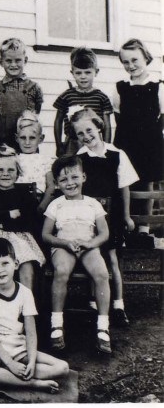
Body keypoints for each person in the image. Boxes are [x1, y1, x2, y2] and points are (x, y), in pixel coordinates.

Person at [0, 238, 69, 392]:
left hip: (17, 346)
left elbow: (30, 332)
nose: (0, 270)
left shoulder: (24, 292)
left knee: (62, 367)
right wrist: (10, 363)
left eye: (5, 263)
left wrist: (30, 361)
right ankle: (33, 384)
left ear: (16, 264)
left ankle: (12, 375)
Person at [73, 108, 138, 327]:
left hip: (113, 216)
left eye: (89, 130)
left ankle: (118, 305)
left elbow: (124, 188)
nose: (86, 136)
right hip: (90, 219)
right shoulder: (79, 158)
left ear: (99, 127)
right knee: (94, 258)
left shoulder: (117, 154)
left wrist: (127, 216)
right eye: (80, 134)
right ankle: (94, 303)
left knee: (112, 259)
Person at [42, 156, 112, 353]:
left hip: (88, 245)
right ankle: (56, 324)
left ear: (83, 177)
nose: (70, 183)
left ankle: (103, 326)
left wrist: (90, 244)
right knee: (62, 272)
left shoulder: (92, 204)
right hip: (64, 245)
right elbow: (46, 234)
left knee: (101, 274)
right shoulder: (56, 204)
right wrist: (64, 243)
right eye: (63, 180)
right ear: (56, 183)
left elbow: (104, 233)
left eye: (74, 177)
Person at [0, 147, 45, 292]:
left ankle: (26, 308)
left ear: (18, 172)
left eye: (11, 170)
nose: (5, 174)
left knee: (26, 265)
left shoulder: (25, 195)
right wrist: (8, 214)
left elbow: (29, 222)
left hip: (20, 238)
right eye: (0, 170)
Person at [112, 38, 164, 238]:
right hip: (126, 143)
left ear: (146, 58)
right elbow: (119, 118)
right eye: (126, 62)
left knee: (147, 182)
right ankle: (126, 225)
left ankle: (144, 228)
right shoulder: (120, 89)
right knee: (126, 182)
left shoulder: (158, 87)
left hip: (150, 144)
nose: (130, 65)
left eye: (135, 60)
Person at [52, 47, 113, 157]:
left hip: (95, 142)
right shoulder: (66, 96)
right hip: (73, 143)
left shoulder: (101, 97)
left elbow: (107, 125)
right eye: (78, 73)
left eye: (87, 72)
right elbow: (58, 121)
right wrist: (59, 145)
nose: (83, 77)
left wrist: (107, 146)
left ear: (96, 72)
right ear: (72, 73)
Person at [0, 38, 43, 150]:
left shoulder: (34, 88)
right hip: (4, 143)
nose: (13, 65)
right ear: (1, 62)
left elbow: (36, 112)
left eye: (18, 60)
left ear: (26, 60)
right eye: (8, 61)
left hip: (27, 143)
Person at [14, 111, 56, 213]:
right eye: (23, 138)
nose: (27, 142)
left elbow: (51, 186)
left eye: (32, 138)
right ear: (16, 138)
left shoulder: (46, 160)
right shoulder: (13, 158)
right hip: (14, 201)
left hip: (37, 201)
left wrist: (41, 207)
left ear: (41, 139)